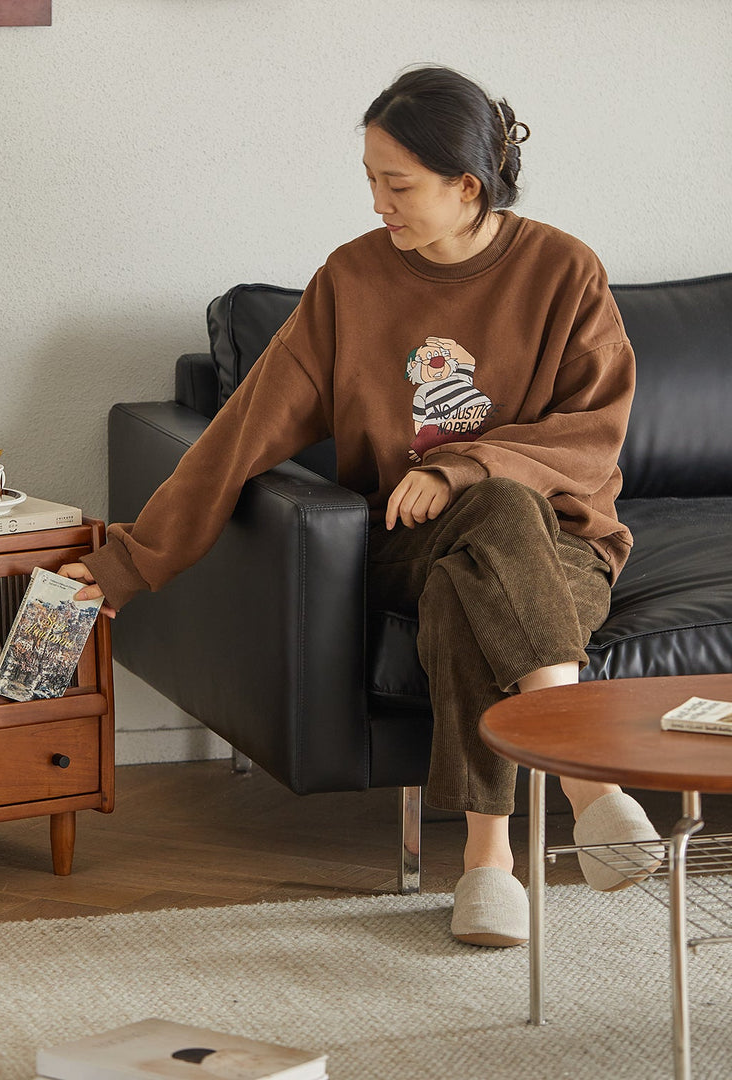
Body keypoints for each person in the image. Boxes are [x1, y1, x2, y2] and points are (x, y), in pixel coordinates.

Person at [59, 66, 661, 948]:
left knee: (479, 560)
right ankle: (583, 779)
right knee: (476, 533)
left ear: (468, 185)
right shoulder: (351, 281)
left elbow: (593, 436)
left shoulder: (564, 271)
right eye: (371, 180)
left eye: (398, 184)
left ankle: (488, 865)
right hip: (404, 540)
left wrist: (465, 467)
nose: (379, 202)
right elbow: (241, 433)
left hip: (564, 540)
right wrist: (127, 563)